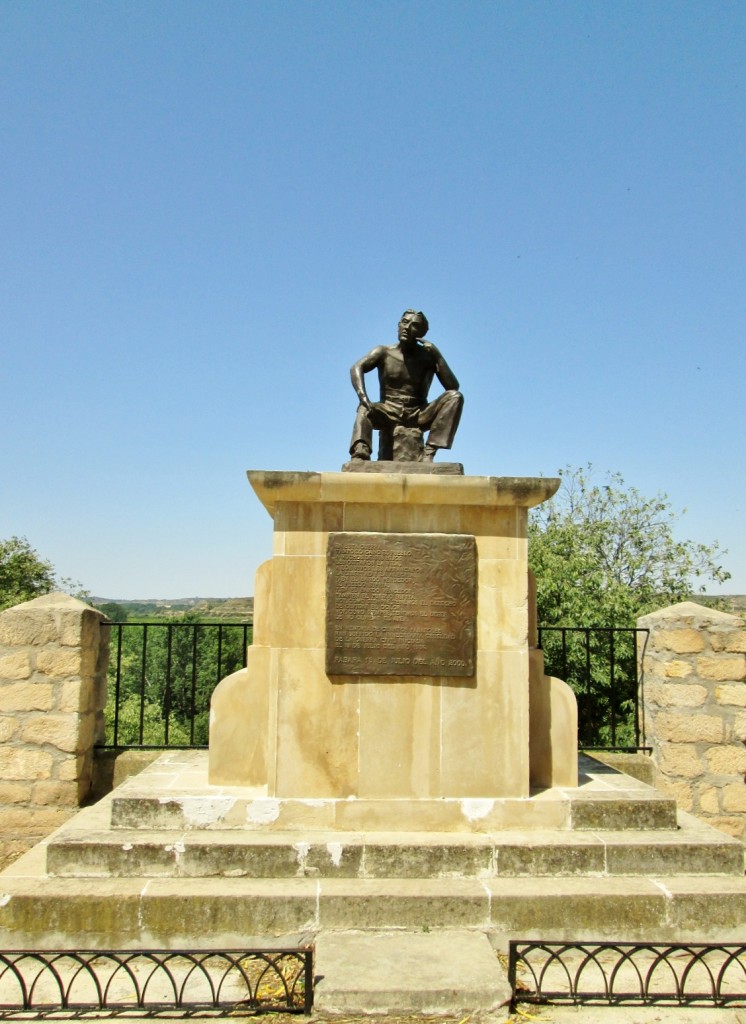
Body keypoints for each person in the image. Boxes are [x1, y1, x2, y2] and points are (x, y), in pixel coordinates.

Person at [348, 309, 463, 462]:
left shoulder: (428, 357)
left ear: (421, 333)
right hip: (388, 410)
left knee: (455, 397)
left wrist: (438, 356)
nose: (407, 328)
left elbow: (452, 386)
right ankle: (361, 451)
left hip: (418, 413)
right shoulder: (383, 352)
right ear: (398, 325)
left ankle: (429, 452)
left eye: (414, 325)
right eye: (404, 322)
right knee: (364, 409)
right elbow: (357, 367)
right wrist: (363, 397)